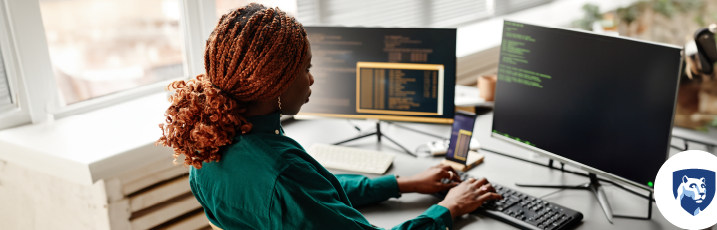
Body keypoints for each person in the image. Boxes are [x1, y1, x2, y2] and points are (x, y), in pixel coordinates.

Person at [156, 3, 501, 230]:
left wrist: (402, 184)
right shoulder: (282, 172)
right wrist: (448, 209)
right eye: (305, 69)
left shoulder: (209, 143)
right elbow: (299, 194)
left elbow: (317, 197)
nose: (312, 78)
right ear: (275, 85)